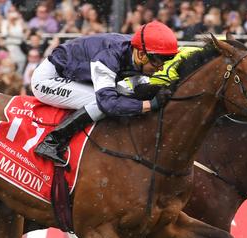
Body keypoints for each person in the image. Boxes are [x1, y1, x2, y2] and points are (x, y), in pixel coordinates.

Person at [31, 21, 178, 165]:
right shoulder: (109, 56)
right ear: (141, 55)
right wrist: (150, 105)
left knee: (125, 96)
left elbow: (137, 87)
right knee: (99, 103)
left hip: (76, 77)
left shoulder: (134, 51)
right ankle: (52, 142)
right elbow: (108, 104)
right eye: (157, 62)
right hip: (48, 80)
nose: (160, 68)